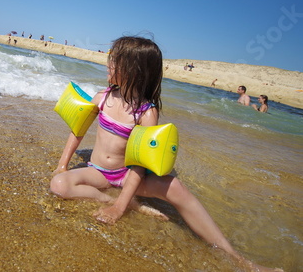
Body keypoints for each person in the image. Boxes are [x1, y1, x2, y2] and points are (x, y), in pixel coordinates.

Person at [50, 36, 281, 272]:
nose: (108, 65)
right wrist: (63, 165)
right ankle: (117, 200)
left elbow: (140, 163)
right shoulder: (103, 97)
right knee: (59, 184)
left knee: (176, 188)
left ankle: (240, 260)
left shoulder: (146, 113)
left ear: (134, 70)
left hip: (126, 176)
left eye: (114, 62)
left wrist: (120, 207)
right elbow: (77, 130)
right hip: (98, 172)